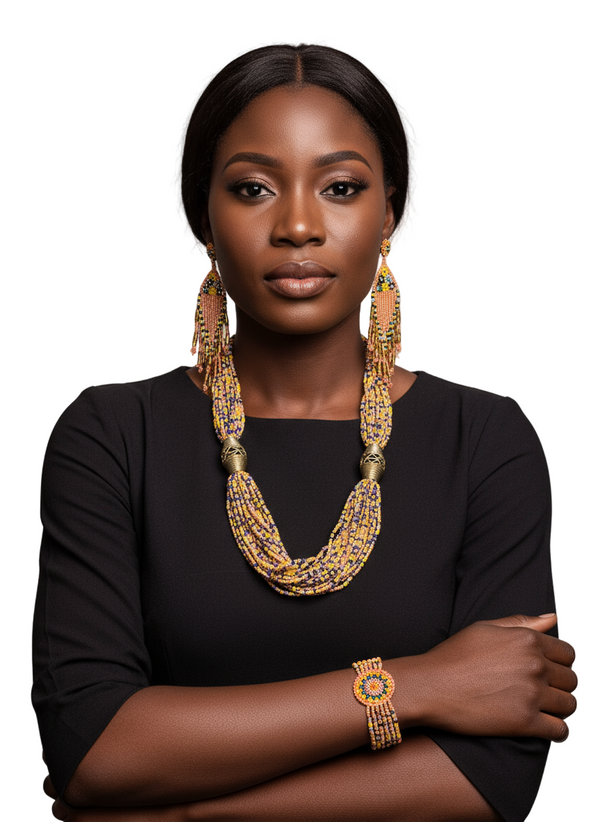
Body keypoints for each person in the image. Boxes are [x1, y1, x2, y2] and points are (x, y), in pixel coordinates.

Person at [33, 44, 577, 822]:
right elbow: (93, 748)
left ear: (388, 210)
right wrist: (416, 685)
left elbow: (487, 783)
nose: (296, 225)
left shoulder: (485, 441)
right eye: (253, 188)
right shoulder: (113, 437)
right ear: (203, 216)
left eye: (341, 188)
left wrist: (178, 814)